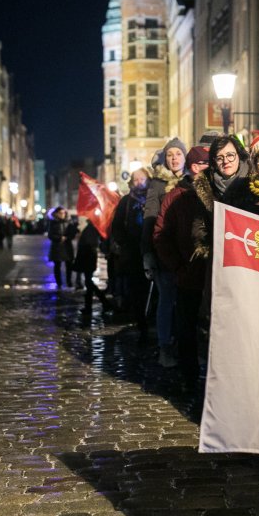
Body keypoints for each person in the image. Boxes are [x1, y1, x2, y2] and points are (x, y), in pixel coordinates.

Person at [153, 146, 212, 394]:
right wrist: (177, 266)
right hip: (188, 274)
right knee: (186, 328)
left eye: (206, 164)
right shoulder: (175, 196)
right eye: (198, 164)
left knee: (212, 328)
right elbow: (161, 234)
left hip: (215, 274)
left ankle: (212, 376)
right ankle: (189, 377)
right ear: (191, 167)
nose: (202, 169)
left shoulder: (219, 192)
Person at [143, 138, 188, 368]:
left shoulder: (192, 180)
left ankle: (183, 346)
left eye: (178, 154)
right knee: (167, 300)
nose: (174, 158)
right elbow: (150, 218)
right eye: (170, 155)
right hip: (164, 250)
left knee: (185, 303)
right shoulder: (158, 183)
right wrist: (148, 253)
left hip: (187, 253)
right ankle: (164, 346)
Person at [112, 167, 152, 339]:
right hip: (133, 253)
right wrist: (124, 243)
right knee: (137, 290)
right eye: (135, 179)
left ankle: (150, 321)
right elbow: (117, 226)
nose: (139, 182)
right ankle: (141, 323)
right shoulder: (127, 201)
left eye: (142, 179)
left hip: (152, 250)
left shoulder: (153, 199)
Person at [74, 218, 111, 319]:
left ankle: (101, 303)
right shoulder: (90, 228)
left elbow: (91, 243)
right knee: (88, 282)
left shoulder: (92, 228)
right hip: (87, 256)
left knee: (89, 282)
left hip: (87, 257)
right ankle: (96, 304)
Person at [47, 206, 74, 289]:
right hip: (57, 247)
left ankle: (69, 282)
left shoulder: (69, 222)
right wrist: (59, 238)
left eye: (63, 213)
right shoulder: (53, 222)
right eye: (60, 213)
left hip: (67, 246)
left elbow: (72, 233)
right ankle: (59, 283)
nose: (62, 215)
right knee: (57, 265)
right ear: (56, 214)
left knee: (69, 265)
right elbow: (50, 235)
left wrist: (67, 238)